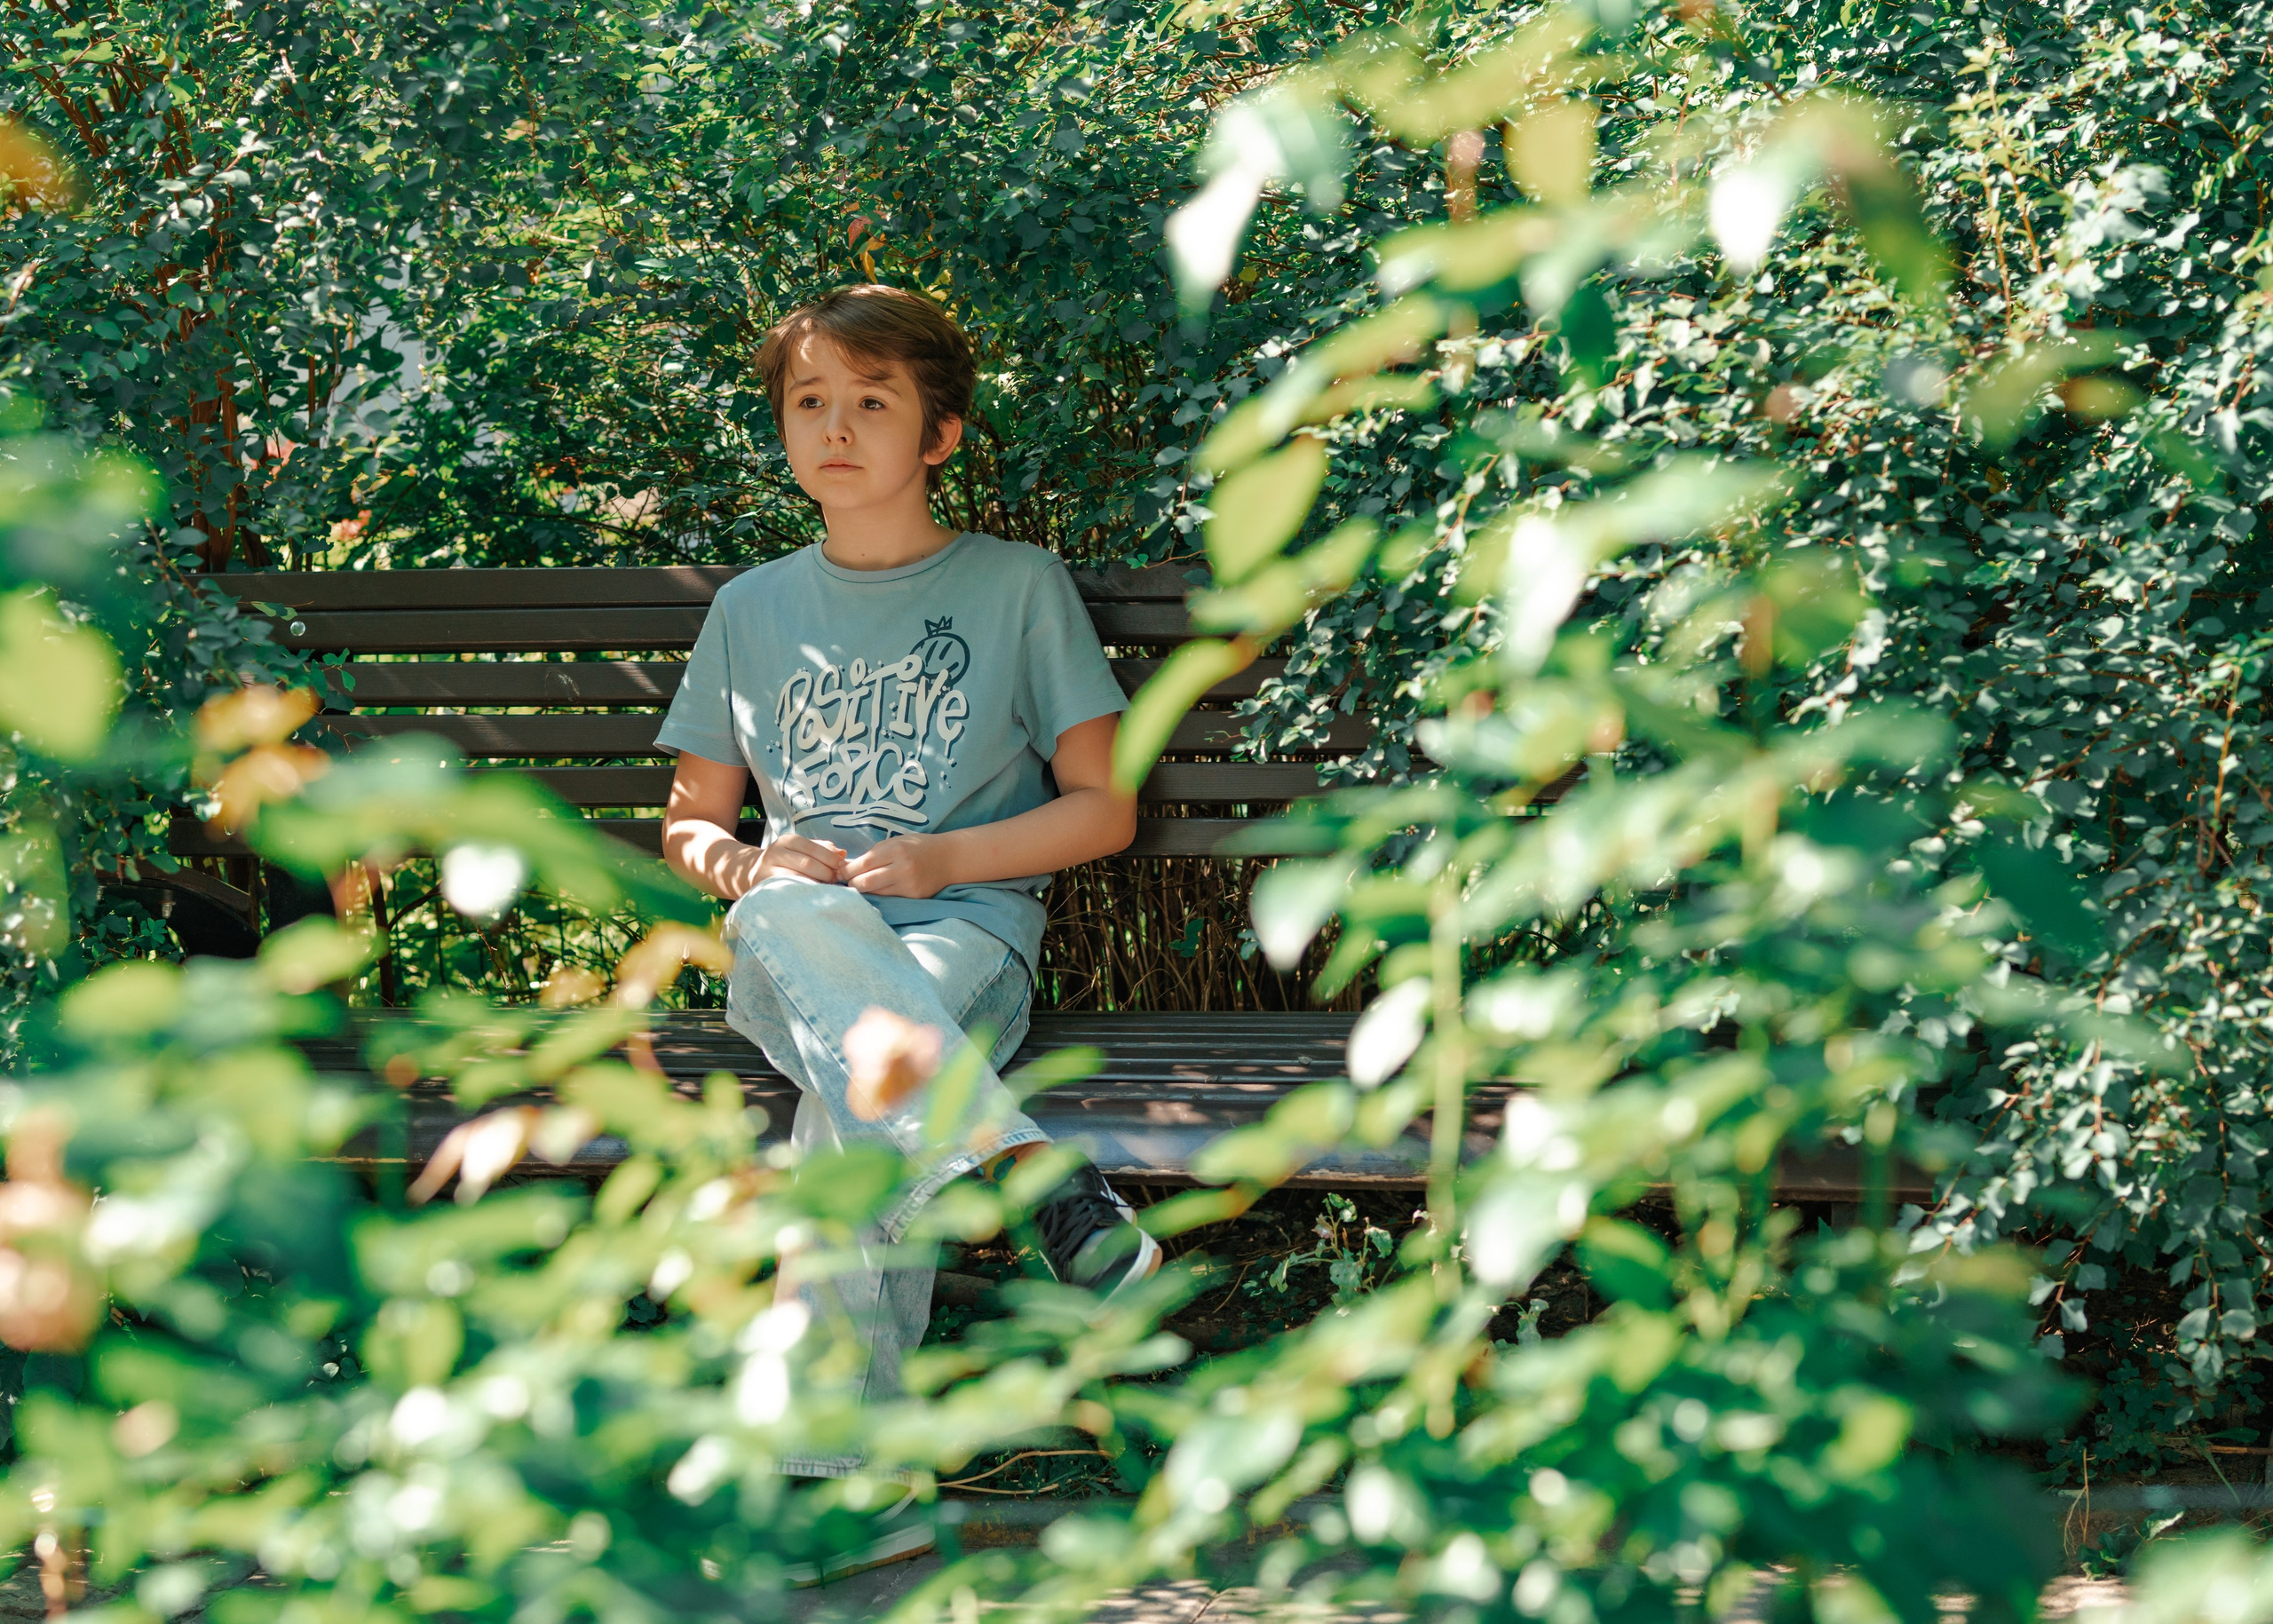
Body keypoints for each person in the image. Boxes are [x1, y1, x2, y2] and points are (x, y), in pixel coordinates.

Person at [655, 284, 1160, 1577]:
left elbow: (1102, 809)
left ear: (936, 435)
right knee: (792, 909)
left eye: (872, 402)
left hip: (961, 946)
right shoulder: (750, 611)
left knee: (849, 1114)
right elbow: (690, 830)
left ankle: (842, 1482)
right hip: (789, 944)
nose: (835, 427)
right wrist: (754, 859)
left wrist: (940, 857)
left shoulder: (1016, 587)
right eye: (809, 402)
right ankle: (1030, 1179)